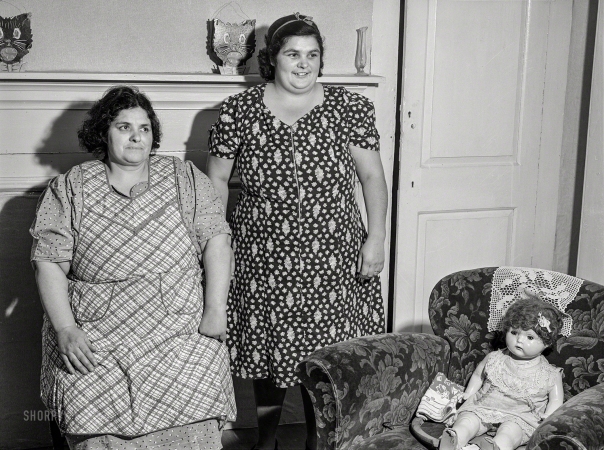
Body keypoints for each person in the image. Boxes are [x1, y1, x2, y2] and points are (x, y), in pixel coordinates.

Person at [207, 12, 387, 450]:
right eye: (293, 54)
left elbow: (372, 178)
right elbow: (212, 183)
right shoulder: (238, 110)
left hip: (334, 259)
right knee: (269, 358)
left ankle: (318, 443)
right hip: (261, 258)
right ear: (273, 59)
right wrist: (214, 245)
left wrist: (377, 238)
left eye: (312, 54)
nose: (303, 64)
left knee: (326, 362)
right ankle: (263, 442)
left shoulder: (349, 106)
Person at [30, 85, 236, 449]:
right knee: (84, 384)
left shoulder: (185, 179)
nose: (137, 136)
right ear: (103, 133)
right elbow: (48, 263)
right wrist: (65, 328)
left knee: (202, 370)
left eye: (144, 127)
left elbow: (217, 242)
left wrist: (215, 310)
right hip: (98, 330)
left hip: (178, 324)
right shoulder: (70, 187)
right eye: (124, 127)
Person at [439, 296, 565, 450]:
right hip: (484, 406)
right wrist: (468, 393)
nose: (519, 340)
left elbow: (556, 400)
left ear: (547, 342)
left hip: (520, 416)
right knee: (468, 420)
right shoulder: (495, 358)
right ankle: (455, 437)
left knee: (510, 433)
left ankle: (495, 447)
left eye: (530, 337)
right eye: (514, 332)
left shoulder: (549, 374)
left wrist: (549, 415)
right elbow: (479, 376)